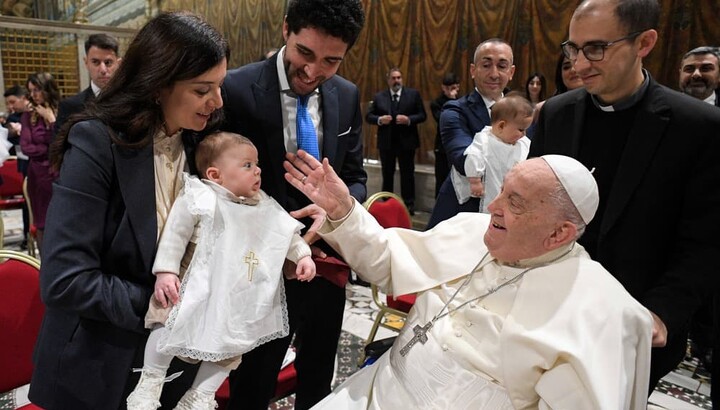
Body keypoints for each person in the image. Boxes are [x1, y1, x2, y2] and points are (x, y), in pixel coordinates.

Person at [284, 150, 652, 409]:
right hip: (378, 389)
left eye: (515, 202)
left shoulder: (602, 309)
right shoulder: (470, 229)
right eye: (503, 190)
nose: (493, 206)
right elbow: (388, 259)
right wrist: (344, 209)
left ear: (560, 233)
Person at [28, 11, 229, 409]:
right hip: (97, 365)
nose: (217, 101)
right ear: (157, 84)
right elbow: (65, 279)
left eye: (219, 86)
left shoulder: (197, 143)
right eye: (203, 89)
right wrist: (167, 307)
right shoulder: (97, 142)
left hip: (170, 361)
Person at [529, 0, 720, 391]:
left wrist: (662, 312)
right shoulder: (556, 114)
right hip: (548, 314)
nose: (579, 65)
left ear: (644, 42)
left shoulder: (698, 127)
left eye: (595, 48)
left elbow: (705, 241)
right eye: (572, 49)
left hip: (633, 325)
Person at [220, 1, 367, 409]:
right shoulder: (236, 89)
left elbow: (354, 174)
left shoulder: (346, 94)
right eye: (305, 53)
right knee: (254, 379)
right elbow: (213, 183)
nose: (313, 71)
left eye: (331, 61)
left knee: (319, 373)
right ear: (287, 29)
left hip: (326, 261)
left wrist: (335, 209)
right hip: (260, 268)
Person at [126, 132, 316, 409]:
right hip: (197, 284)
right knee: (167, 322)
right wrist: (166, 271)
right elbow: (175, 233)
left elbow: (286, 233)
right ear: (215, 175)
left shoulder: (263, 202)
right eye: (247, 165)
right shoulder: (201, 195)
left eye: (257, 164)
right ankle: (151, 381)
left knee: (234, 345)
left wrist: (303, 256)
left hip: (238, 294)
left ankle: (201, 394)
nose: (258, 170)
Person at [427, 38, 515, 229]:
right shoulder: (454, 111)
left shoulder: (522, 114)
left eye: (502, 66)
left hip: (508, 215)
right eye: (486, 65)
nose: (494, 74)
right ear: (473, 71)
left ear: (511, 72)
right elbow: (463, 158)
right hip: (462, 213)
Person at [452, 93, 532, 213]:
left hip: (516, 189)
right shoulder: (484, 139)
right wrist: (475, 181)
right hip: (492, 184)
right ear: (501, 126)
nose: (524, 134)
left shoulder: (523, 142)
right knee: (492, 210)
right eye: (521, 130)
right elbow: (473, 156)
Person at [366, 67, 427, 215]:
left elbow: (422, 115)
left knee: (408, 174)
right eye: (393, 78)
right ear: (388, 80)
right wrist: (380, 120)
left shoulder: (413, 95)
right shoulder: (380, 97)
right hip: (387, 143)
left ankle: (409, 205)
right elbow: (369, 116)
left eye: (399, 78)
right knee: (387, 174)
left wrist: (408, 120)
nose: (396, 81)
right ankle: (386, 203)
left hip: (407, 143)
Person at [20, 72, 60, 251]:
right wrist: (49, 149)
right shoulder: (28, 117)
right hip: (38, 176)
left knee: (63, 220)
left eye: (38, 89)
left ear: (48, 89)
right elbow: (26, 147)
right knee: (42, 222)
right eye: (31, 91)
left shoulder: (62, 111)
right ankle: (45, 266)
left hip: (60, 172)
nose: (34, 94)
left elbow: (64, 143)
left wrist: (51, 121)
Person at [54, 33, 122, 138]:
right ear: (86, 63)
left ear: (118, 63)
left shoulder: (131, 102)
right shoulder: (70, 107)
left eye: (108, 62)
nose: (103, 70)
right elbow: (58, 150)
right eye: (96, 62)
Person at [429, 72, 460, 197]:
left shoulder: (463, 101)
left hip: (458, 146)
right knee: (441, 179)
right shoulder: (437, 103)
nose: (449, 91)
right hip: (442, 147)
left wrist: (454, 100)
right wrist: (451, 100)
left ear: (457, 87)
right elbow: (443, 119)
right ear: (442, 87)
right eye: (447, 88)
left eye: (452, 88)